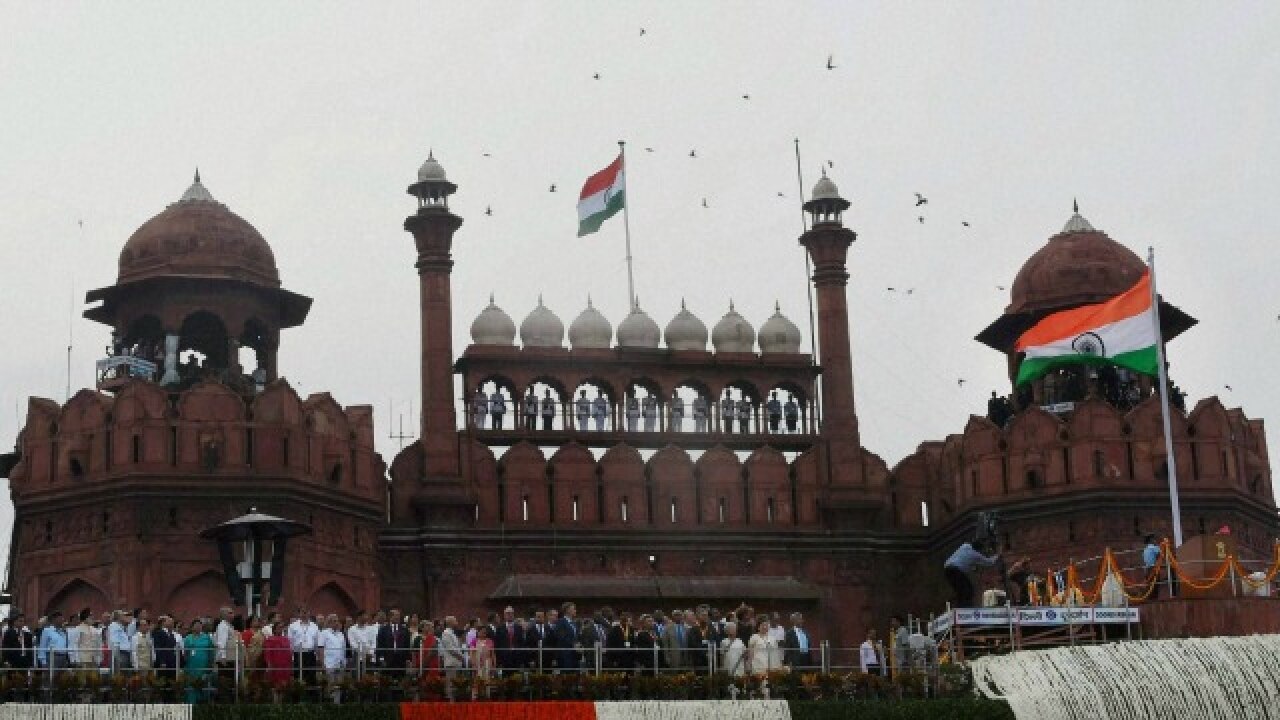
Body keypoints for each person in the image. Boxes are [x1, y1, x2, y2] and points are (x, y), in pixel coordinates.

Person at [944, 539, 1000, 608]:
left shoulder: (965, 545)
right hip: (956, 570)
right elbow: (989, 562)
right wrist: (997, 555)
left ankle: (960, 607)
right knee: (968, 590)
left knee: (960, 590)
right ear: (978, 550)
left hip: (947, 569)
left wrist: (972, 566)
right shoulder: (975, 554)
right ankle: (966, 608)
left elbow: (964, 559)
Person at [183, 619, 215, 703]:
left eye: (199, 625)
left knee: (203, 684)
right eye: (196, 625)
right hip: (191, 666)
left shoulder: (207, 637)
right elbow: (185, 653)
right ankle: (191, 703)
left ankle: (203, 705)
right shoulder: (187, 638)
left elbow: (211, 652)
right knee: (191, 685)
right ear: (192, 627)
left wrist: (210, 665)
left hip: (203, 666)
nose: (198, 626)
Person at [317, 615, 346, 702]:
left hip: (340, 663)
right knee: (330, 685)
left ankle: (337, 703)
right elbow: (320, 648)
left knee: (339, 685)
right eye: (334, 621)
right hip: (329, 663)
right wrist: (322, 663)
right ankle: (329, 704)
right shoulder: (324, 633)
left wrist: (344, 662)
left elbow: (343, 649)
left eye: (337, 621)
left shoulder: (341, 634)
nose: (336, 623)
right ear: (329, 622)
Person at [287, 608, 319, 683]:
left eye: (306, 612)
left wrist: (317, 656)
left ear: (309, 613)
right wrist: (292, 657)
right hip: (298, 654)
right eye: (302, 612)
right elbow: (290, 641)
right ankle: (299, 693)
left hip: (310, 654)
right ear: (299, 614)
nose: (304, 614)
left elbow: (316, 642)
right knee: (298, 675)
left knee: (311, 676)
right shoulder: (292, 626)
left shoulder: (314, 626)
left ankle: (311, 694)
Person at [262, 620, 292, 697]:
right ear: (274, 629)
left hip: (285, 665)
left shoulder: (286, 639)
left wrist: (290, 664)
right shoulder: (269, 640)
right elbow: (267, 653)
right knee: (275, 685)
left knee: (284, 685)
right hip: (275, 665)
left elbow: (289, 653)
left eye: (282, 627)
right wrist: (269, 664)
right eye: (279, 627)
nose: (281, 629)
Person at [376, 608, 410, 675]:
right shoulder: (383, 629)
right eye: (396, 615)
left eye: (399, 615)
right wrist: (381, 657)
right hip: (387, 657)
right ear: (390, 617)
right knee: (387, 678)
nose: (398, 617)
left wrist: (408, 658)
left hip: (401, 658)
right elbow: (380, 644)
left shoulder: (404, 629)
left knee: (401, 678)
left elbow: (407, 644)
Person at [439, 616, 464, 698]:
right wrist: (461, 657)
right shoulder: (446, 633)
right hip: (451, 663)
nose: (457, 622)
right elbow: (450, 649)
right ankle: (450, 703)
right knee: (451, 685)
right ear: (450, 623)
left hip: (456, 662)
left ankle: (453, 701)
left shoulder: (452, 633)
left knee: (456, 685)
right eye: (455, 620)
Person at [471, 625, 495, 699]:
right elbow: (472, 654)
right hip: (477, 663)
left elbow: (493, 654)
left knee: (487, 680)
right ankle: (476, 697)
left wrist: (494, 665)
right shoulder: (474, 641)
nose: (484, 633)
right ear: (478, 632)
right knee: (477, 680)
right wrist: (473, 664)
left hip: (487, 663)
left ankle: (487, 697)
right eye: (482, 631)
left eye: (485, 632)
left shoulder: (490, 641)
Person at [555, 602, 580, 672]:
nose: (575, 611)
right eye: (574, 609)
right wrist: (573, 644)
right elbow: (561, 637)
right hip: (565, 653)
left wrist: (578, 644)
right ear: (568, 610)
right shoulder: (561, 622)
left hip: (575, 653)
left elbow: (576, 636)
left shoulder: (574, 623)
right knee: (567, 674)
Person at [213, 607, 234, 677]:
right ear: (224, 615)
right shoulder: (223, 626)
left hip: (230, 657)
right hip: (225, 658)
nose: (233, 615)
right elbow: (221, 642)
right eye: (230, 613)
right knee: (225, 681)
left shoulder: (228, 625)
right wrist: (223, 657)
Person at [1143, 534, 1164, 599]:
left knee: (1149, 586)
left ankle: (1150, 598)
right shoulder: (1153, 547)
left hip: (1147, 569)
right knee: (1155, 585)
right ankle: (1155, 599)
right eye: (1154, 539)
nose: (1155, 540)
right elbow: (1161, 554)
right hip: (1153, 568)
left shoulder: (1145, 549)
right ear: (1151, 540)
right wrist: (1162, 545)